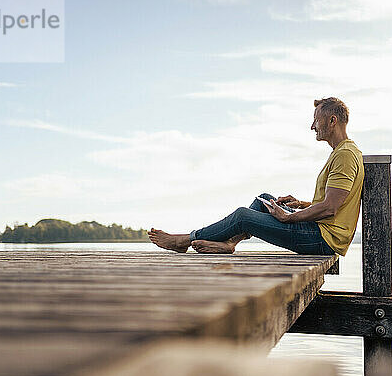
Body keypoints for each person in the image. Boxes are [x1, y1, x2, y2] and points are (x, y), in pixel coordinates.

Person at [148, 97, 364, 257]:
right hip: (320, 231)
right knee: (265, 199)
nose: (312, 126)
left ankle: (183, 240)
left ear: (332, 120)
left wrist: (288, 217)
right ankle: (229, 243)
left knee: (243, 216)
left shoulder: (344, 155)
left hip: (322, 240)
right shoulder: (344, 151)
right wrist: (300, 204)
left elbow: (330, 208)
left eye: (316, 120)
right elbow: (337, 203)